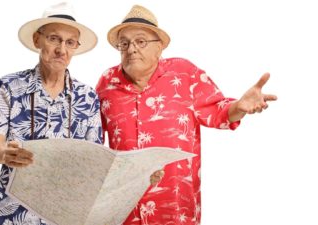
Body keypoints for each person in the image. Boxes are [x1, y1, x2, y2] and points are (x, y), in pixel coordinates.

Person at [96, 4, 277, 225]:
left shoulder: (184, 74)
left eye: (140, 41)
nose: (131, 48)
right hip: (123, 212)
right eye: (124, 43)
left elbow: (217, 111)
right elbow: (93, 140)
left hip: (175, 210)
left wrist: (239, 106)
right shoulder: (107, 82)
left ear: (160, 47)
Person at [0, 2, 102, 225]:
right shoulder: (9, 86)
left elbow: (95, 163)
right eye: (54, 38)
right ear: (38, 40)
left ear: (75, 47)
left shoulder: (88, 97)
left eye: (70, 42)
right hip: (12, 216)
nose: (61, 49)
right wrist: (5, 152)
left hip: (64, 216)